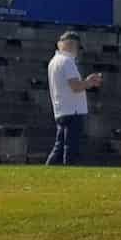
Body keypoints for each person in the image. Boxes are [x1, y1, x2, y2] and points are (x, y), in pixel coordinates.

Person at [44, 30, 103, 165]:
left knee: (59, 146)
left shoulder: (54, 62)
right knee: (71, 148)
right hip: (73, 111)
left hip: (61, 109)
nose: (78, 52)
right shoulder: (67, 61)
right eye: (78, 48)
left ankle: (48, 172)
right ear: (72, 45)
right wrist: (90, 82)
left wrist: (86, 81)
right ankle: (68, 171)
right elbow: (75, 86)